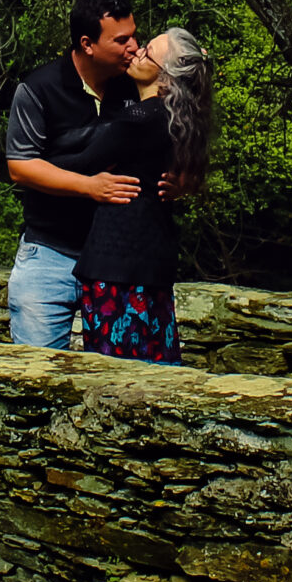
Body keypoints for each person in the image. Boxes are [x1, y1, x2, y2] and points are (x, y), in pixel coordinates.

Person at [3, 0, 145, 347]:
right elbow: (20, 165)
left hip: (117, 258)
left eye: (135, 36)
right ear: (87, 44)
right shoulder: (39, 90)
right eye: (121, 40)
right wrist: (89, 185)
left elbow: (157, 138)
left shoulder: (134, 91)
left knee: (120, 383)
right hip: (49, 253)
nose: (133, 47)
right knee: (37, 377)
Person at [67, 28, 215, 362]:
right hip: (154, 261)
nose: (136, 53)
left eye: (147, 53)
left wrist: (31, 160)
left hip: (116, 261)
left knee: (113, 374)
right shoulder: (181, 122)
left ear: (165, 76)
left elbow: (81, 162)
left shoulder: (139, 120)